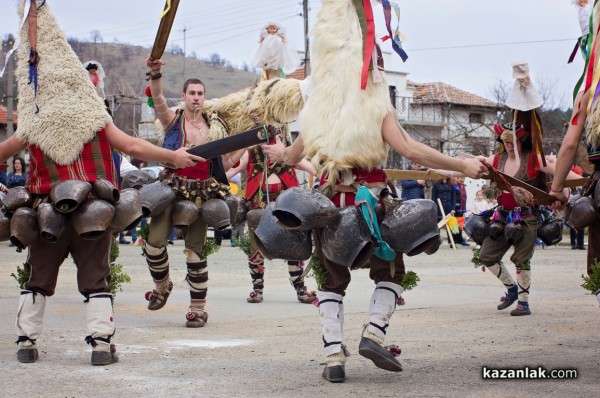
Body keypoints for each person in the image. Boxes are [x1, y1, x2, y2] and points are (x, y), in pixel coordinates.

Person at [3, 0, 202, 366]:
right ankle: (99, 345)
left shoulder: (32, 123)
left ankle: (27, 342)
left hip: (45, 211)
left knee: (38, 276)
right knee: (95, 278)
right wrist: (172, 156)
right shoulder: (94, 116)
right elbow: (131, 145)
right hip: (93, 210)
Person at [143, 56, 247, 328]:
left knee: (195, 253)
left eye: (201, 93)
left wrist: (245, 144)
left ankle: (197, 309)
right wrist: (155, 73)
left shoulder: (216, 128)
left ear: (205, 97)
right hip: (172, 190)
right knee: (153, 244)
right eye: (192, 93)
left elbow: (223, 164)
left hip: (203, 194)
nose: (197, 97)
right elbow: (158, 98)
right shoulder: (172, 121)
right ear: (184, 96)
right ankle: (163, 285)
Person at [227, 138, 318, 304]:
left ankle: (300, 288)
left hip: (286, 207)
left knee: (295, 247)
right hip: (257, 207)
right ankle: (257, 288)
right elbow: (232, 169)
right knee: (255, 249)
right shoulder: (251, 151)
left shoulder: (289, 151)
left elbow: (313, 170)